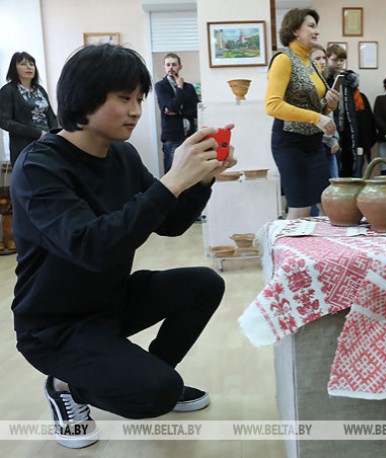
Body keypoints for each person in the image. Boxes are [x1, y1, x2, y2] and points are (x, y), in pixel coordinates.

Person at [10, 44, 237, 449]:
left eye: (139, 99)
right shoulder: (38, 166)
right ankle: (68, 386)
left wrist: (200, 180)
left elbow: (170, 225)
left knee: (204, 284)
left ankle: (144, 373)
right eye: (123, 98)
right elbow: (89, 246)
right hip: (54, 326)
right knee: (158, 394)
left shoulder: (123, 156)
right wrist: (171, 181)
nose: (135, 110)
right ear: (85, 97)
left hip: (109, 302)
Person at [265, 8, 339, 220]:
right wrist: (317, 117)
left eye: (316, 26)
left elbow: (318, 108)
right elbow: (272, 106)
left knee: (325, 206)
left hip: (314, 144)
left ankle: (321, 252)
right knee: (300, 209)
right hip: (290, 144)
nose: (317, 31)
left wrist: (329, 105)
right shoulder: (283, 59)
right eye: (311, 26)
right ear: (296, 30)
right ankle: (286, 253)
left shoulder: (311, 64)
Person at [325, 45, 376, 178]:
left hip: (348, 129)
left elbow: (358, 112)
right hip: (330, 128)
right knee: (333, 166)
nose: (339, 63)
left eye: (342, 60)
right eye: (335, 60)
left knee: (350, 163)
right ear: (327, 60)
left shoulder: (349, 82)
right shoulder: (323, 80)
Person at [0, 51, 58, 166]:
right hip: (25, 146)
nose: (29, 67)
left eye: (31, 64)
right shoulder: (8, 90)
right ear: (14, 68)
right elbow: (4, 122)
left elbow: (50, 115)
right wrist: (37, 133)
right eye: (23, 64)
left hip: (47, 143)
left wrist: (54, 135)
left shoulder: (39, 89)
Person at [154, 52, 199, 173]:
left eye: (174, 64)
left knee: (190, 172)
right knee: (172, 173)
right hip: (172, 137)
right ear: (164, 67)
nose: (171, 67)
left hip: (190, 136)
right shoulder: (160, 86)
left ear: (180, 67)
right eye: (168, 65)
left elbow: (196, 111)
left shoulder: (189, 87)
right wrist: (179, 88)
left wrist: (178, 112)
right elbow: (171, 107)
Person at [310, 44, 339, 179]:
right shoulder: (306, 87)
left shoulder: (324, 83)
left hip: (328, 144)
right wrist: (329, 140)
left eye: (323, 58)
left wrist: (334, 139)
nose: (322, 62)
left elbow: (329, 115)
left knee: (333, 190)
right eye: (317, 58)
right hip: (314, 145)